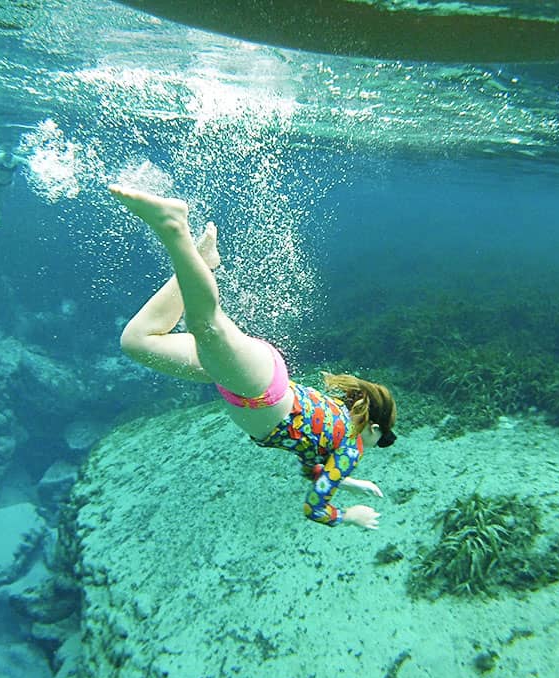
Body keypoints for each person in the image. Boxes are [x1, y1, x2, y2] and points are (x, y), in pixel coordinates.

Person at [111, 185, 397, 530]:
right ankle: (174, 228)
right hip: (256, 387)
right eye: (379, 441)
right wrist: (351, 515)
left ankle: (203, 261)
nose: (371, 449)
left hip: (247, 382)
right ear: (374, 428)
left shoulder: (339, 437)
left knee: (138, 341)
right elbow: (315, 509)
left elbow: (314, 469)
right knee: (206, 324)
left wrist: (348, 483)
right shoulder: (350, 450)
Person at [0, 150, 29, 227]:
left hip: (8, 183)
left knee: (2, 200)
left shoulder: (16, 159)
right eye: (6, 154)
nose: (8, 156)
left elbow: (27, 162)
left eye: (10, 155)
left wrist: (29, 171)